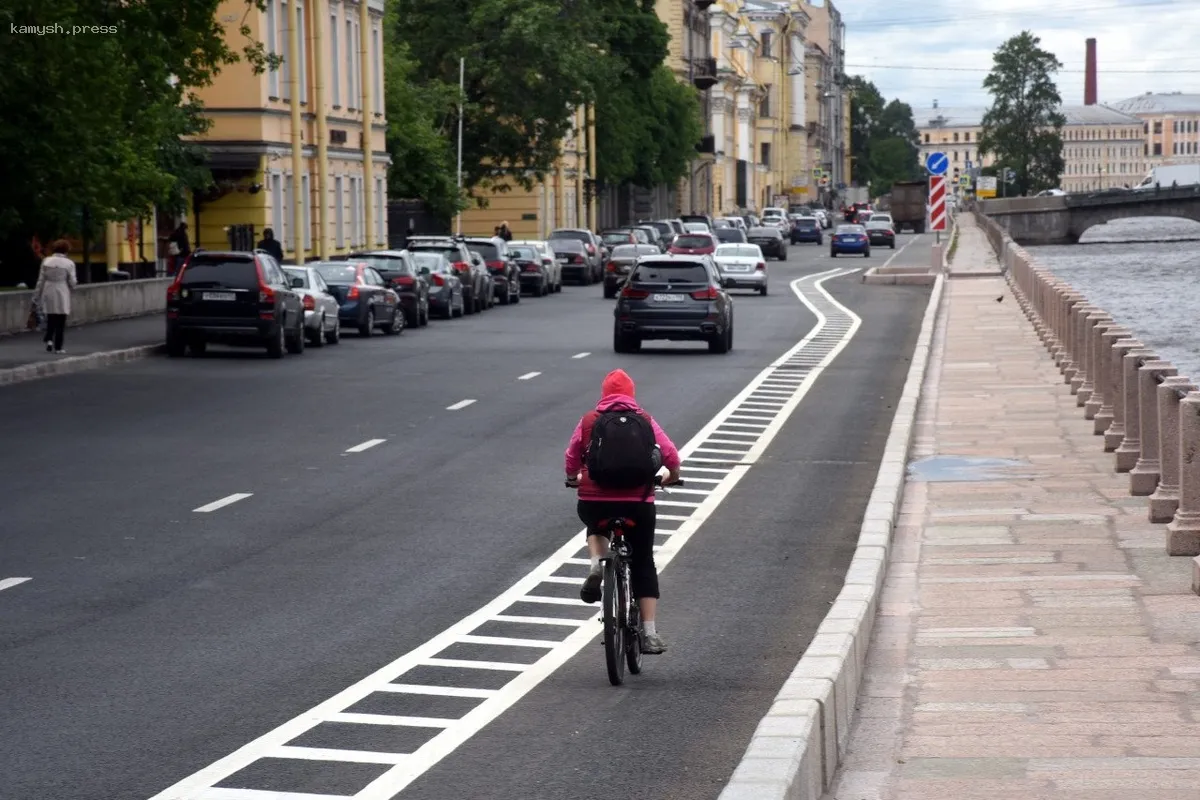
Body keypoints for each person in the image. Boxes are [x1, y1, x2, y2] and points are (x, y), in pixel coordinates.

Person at [564, 368, 681, 654]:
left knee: (595, 524)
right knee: (643, 560)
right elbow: (670, 455)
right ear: (631, 394)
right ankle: (650, 634)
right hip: (637, 502)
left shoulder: (590, 420)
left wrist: (572, 477)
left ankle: (596, 565)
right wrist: (672, 476)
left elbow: (572, 455)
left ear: (604, 393)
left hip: (595, 499)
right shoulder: (645, 420)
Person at [34, 239, 77, 354]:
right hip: (62, 289)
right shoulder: (69, 263)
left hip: (48, 289)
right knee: (61, 320)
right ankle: (58, 347)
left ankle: (49, 339)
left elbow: (41, 280)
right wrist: (72, 286)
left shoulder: (46, 261)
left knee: (51, 316)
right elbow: (72, 282)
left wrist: (36, 295)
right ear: (66, 250)